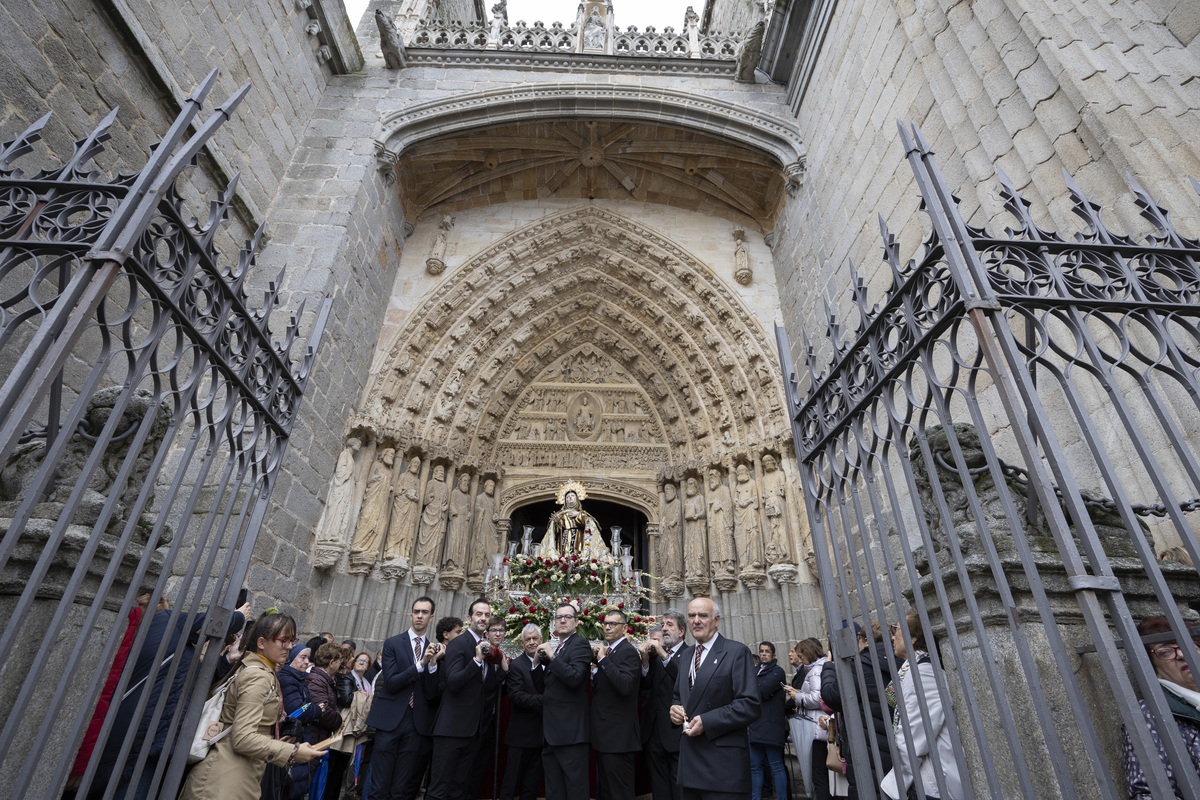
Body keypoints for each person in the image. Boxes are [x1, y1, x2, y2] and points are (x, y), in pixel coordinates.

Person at [179, 612, 326, 800]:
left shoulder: (261, 671)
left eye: (292, 640)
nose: (290, 647)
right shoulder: (258, 677)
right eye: (283, 640)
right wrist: (293, 751)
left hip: (235, 776)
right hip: (223, 783)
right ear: (262, 643)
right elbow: (243, 738)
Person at [669, 597, 761, 800]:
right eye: (691, 615)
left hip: (723, 767)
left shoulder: (736, 652)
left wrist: (707, 722)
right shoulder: (686, 656)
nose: (696, 620)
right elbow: (679, 695)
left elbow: (750, 704)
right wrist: (675, 709)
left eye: (703, 615)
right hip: (690, 765)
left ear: (716, 620)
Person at [366, 596, 441, 800]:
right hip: (390, 720)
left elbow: (433, 693)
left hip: (416, 723)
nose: (419, 616)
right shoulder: (393, 643)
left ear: (431, 617)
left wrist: (433, 664)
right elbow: (391, 682)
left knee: (401, 788)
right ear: (410, 614)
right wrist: (421, 664)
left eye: (424, 612)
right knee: (379, 786)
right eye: (416, 611)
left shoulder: (433, 649)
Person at [881, 614, 962, 800]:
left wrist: (893, 785)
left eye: (897, 630)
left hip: (935, 779)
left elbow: (914, 735)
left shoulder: (923, 674)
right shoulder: (914, 669)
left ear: (913, 638)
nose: (893, 637)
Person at [1121, 616, 1200, 799]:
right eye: (1165, 652)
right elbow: (1150, 793)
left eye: (1185, 644)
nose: (1180, 654)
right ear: (1154, 671)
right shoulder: (1152, 715)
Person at [426, 599, 497, 800]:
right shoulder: (459, 643)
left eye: (486, 615)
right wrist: (476, 661)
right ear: (469, 618)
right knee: (439, 788)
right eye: (478, 614)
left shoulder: (485, 646)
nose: (483, 618)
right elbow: (454, 682)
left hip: (473, 732)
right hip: (451, 730)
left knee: (459, 789)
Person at [820, 621, 897, 799]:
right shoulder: (900, 660)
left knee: (868, 789)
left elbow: (832, 697)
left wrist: (829, 667)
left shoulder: (861, 666)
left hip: (867, 743)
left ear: (865, 641)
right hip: (895, 741)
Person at [539, 603, 593, 800]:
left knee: (575, 790)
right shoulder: (561, 648)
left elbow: (575, 678)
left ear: (576, 622)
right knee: (554, 791)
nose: (562, 620)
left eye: (567, 617)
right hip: (551, 734)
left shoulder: (579, 644)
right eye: (559, 617)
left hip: (571, 735)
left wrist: (552, 657)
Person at [592, 608, 642, 800]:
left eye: (613, 624)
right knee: (605, 791)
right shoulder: (612, 651)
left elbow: (625, 685)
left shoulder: (628, 652)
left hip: (619, 739)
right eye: (605, 624)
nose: (608, 627)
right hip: (606, 737)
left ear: (625, 628)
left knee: (619, 792)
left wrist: (603, 659)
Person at [640, 610, 687, 800]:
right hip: (654, 733)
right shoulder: (657, 658)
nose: (664, 628)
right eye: (663, 624)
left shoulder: (690, 653)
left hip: (676, 732)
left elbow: (685, 682)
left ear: (681, 631)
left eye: (669, 625)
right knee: (659, 787)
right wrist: (644, 662)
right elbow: (645, 688)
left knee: (679, 787)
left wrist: (664, 656)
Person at [467, 615, 511, 797]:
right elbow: (487, 686)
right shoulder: (482, 655)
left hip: (491, 722)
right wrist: (505, 669)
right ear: (487, 633)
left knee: (480, 768)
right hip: (474, 721)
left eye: (501, 630)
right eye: (494, 630)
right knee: (469, 768)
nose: (498, 634)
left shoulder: (500, 657)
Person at [500, 624, 545, 800]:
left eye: (535, 638)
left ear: (542, 640)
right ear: (522, 643)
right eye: (528, 639)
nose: (532, 642)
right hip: (520, 738)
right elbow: (517, 697)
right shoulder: (517, 666)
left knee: (531, 788)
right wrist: (547, 700)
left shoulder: (549, 663)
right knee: (510, 786)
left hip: (541, 738)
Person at [784, 638, 829, 799]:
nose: (800, 660)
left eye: (801, 656)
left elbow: (817, 698)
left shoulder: (816, 670)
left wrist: (797, 696)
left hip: (817, 728)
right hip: (819, 726)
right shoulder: (818, 667)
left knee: (819, 777)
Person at [279, 644, 323, 800]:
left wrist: (310, 708)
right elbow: (297, 710)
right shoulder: (287, 678)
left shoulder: (299, 678)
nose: (306, 662)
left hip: (301, 737)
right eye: (302, 657)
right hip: (291, 738)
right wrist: (317, 710)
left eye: (308, 658)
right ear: (291, 658)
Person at [308, 643, 349, 800]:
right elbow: (322, 711)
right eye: (339, 660)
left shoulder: (326, 680)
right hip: (313, 737)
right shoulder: (318, 680)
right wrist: (339, 720)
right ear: (331, 661)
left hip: (320, 737)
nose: (341, 664)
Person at [748, 642, 788, 800]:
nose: (763, 654)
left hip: (771, 725)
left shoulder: (778, 672)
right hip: (755, 725)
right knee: (755, 767)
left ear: (773, 655)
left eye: (767, 651)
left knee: (776, 765)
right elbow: (743, 688)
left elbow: (762, 690)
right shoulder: (755, 671)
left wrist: (754, 689)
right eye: (761, 651)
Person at [539, 481, 607, 560]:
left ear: (577, 498)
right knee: (564, 557)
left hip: (579, 539)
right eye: (567, 497)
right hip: (564, 540)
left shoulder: (583, 514)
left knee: (578, 557)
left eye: (572, 496)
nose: (570, 498)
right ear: (565, 501)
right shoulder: (561, 514)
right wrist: (557, 523)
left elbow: (589, 524)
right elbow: (555, 533)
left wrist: (578, 515)